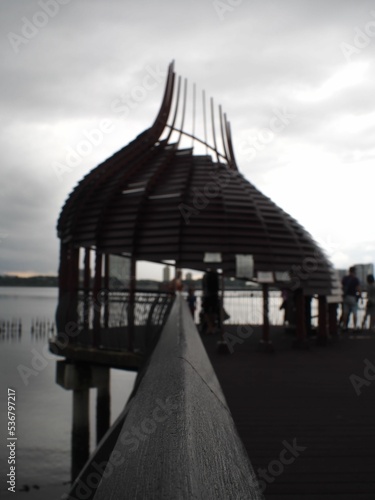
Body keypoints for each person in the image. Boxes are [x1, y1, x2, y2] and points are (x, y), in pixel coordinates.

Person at [202, 268, 220, 334]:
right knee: (213, 312)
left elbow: (204, 287)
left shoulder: (205, 276)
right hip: (213, 295)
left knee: (207, 312)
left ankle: (210, 327)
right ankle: (212, 327)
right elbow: (217, 287)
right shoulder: (215, 276)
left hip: (207, 295)